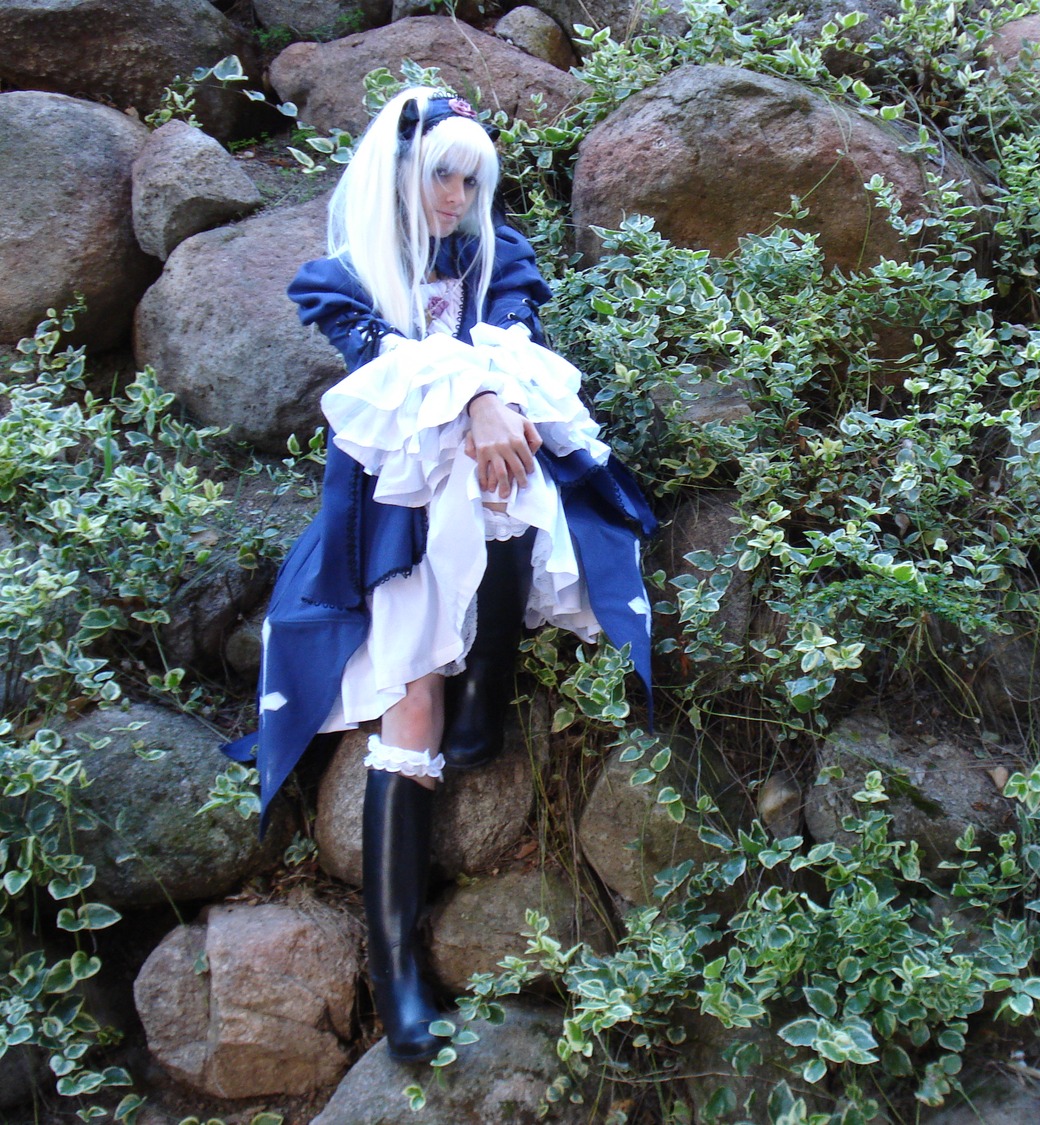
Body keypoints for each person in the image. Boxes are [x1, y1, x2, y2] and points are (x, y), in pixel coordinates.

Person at [222, 87, 656, 1062]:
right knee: (411, 697)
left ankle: (488, 686)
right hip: (393, 511)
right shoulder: (339, 279)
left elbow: (516, 344)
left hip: (482, 501)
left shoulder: (498, 260)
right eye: (441, 175)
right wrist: (478, 398)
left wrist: (495, 393)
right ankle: (401, 977)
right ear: (399, 174)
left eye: (472, 177)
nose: (458, 194)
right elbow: (387, 372)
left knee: (503, 462)